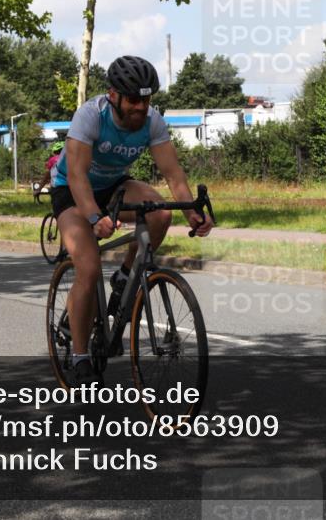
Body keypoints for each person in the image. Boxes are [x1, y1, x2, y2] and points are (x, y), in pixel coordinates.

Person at [52, 55, 213, 386]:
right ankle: (81, 356)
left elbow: (173, 173)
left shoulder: (152, 122)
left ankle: (126, 276)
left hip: (113, 187)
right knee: (89, 266)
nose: (141, 106)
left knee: (160, 213)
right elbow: (78, 176)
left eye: (147, 99)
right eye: (135, 100)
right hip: (71, 190)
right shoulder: (90, 117)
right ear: (114, 95)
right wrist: (94, 217)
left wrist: (191, 210)